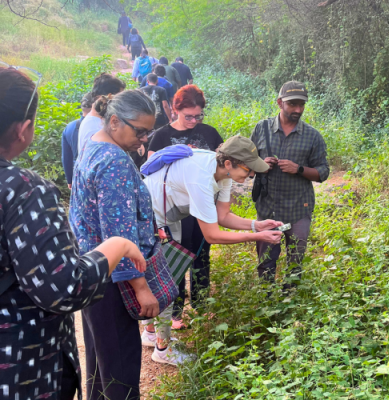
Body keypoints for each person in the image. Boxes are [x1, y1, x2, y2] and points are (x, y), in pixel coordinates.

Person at [0, 66, 146, 400]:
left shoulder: (91, 148)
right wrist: (118, 244)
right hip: (19, 365)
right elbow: (64, 288)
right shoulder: (22, 191)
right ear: (23, 130)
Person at [141, 136, 283, 362]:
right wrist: (257, 236)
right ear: (229, 163)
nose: (251, 175)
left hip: (169, 211)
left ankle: (151, 334)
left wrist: (257, 224)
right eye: (248, 169)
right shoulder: (202, 177)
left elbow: (222, 216)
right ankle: (163, 350)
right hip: (150, 213)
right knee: (166, 277)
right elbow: (212, 235)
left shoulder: (223, 173)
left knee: (166, 272)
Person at [69, 90, 161, 399]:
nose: (144, 140)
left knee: (100, 366)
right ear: (114, 121)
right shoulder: (114, 164)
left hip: (92, 272)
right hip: (113, 282)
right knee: (120, 375)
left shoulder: (92, 145)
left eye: (148, 132)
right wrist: (141, 287)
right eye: (140, 131)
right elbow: (118, 235)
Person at [148, 85, 223, 328]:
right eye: (187, 115)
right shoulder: (161, 136)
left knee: (202, 255)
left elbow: (221, 166)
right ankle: (176, 311)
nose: (193, 120)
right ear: (175, 109)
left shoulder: (211, 134)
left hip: (201, 206)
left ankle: (201, 306)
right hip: (172, 210)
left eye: (198, 115)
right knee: (175, 257)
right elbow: (151, 171)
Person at [250, 81, 329, 285]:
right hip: (268, 210)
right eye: (292, 104)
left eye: (301, 105)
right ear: (279, 103)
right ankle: (266, 301)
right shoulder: (262, 129)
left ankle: (290, 303)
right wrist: (260, 165)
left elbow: (323, 172)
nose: (298, 109)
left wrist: (299, 169)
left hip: (298, 211)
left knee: (295, 263)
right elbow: (245, 166)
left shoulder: (312, 136)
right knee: (266, 262)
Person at [77, 73, 126, 153]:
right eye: (118, 99)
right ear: (102, 97)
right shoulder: (95, 127)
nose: (121, 103)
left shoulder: (97, 120)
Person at [61, 92, 92, 189]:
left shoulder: (69, 127)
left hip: (77, 175)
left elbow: (66, 157)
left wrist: (69, 179)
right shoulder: (100, 128)